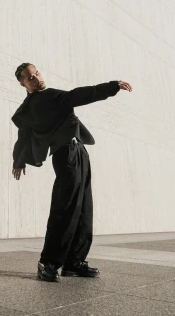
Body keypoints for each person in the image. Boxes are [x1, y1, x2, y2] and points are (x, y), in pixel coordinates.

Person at [11, 63, 133, 282]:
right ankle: (48, 262)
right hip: (65, 154)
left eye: (37, 73)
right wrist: (110, 87)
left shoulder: (37, 103)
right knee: (65, 207)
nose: (37, 78)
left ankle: (74, 262)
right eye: (30, 78)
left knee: (84, 207)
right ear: (22, 84)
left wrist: (19, 160)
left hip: (79, 151)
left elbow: (25, 136)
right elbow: (77, 95)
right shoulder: (43, 100)